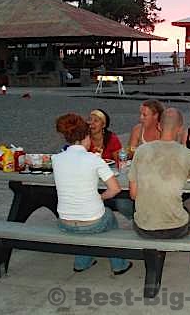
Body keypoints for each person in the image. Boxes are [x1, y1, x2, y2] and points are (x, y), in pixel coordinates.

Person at [129, 108, 190, 275]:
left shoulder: (141, 151)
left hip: (142, 226)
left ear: (159, 127)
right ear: (180, 129)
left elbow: (133, 194)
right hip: (175, 228)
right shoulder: (187, 155)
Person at [52, 113, 132, 275]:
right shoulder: (94, 160)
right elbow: (115, 189)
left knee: (87, 222)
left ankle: (82, 261)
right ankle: (119, 264)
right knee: (109, 219)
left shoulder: (56, 158)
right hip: (91, 222)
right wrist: (99, 197)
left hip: (64, 222)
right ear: (86, 136)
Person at [88, 109, 133, 220]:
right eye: (90, 120)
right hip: (89, 178)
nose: (91, 123)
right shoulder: (85, 138)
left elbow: (119, 160)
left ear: (103, 124)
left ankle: (132, 219)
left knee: (124, 206)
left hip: (109, 178)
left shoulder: (111, 138)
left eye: (96, 121)